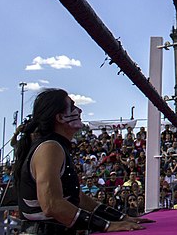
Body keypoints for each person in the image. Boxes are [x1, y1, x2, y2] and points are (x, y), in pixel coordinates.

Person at [11, 88, 150, 234]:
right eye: (72, 106)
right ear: (60, 117)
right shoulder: (49, 148)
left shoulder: (55, 146)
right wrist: (107, 226)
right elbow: (52, 204)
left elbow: (76, 197)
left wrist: (121, 218)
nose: (80, 110)